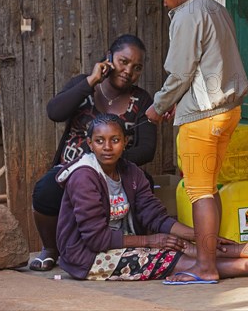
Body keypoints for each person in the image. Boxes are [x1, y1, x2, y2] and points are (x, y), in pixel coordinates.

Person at [56, 113, 248, 282]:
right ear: (90, 144)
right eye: (99, 141)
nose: (107, 147)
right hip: (87, 257)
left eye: (115, 140)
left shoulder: (131, 172)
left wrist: (199, 236)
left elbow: (155, 216)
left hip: (120, 244)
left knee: (181, 243)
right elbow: (96, 238)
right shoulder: (84, 177)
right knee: (166, 254)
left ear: (125, 142)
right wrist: (150, 241)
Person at [145, 0, 248, 284]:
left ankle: (205, 267)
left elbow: (180, 74)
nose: (164, 4)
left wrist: (158, 106)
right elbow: (209, 65)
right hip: (227, 111)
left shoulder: (188, 15)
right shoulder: (216, 8)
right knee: (209, 188)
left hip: (202, 118)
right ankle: (210, 260)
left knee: (199, 192)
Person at [29, 34, 156, 272]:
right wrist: (91, 80)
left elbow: (148, 149)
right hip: (72, 170)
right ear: (109, 58)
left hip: (117, 172)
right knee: (45, 189)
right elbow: (54, 112)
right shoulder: (84, 84)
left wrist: (109, 162)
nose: (129, 70)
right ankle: (50, 249)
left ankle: (133, 245)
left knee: (144, 185)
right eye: (123, 61)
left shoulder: (142, 99)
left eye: (136, 67)